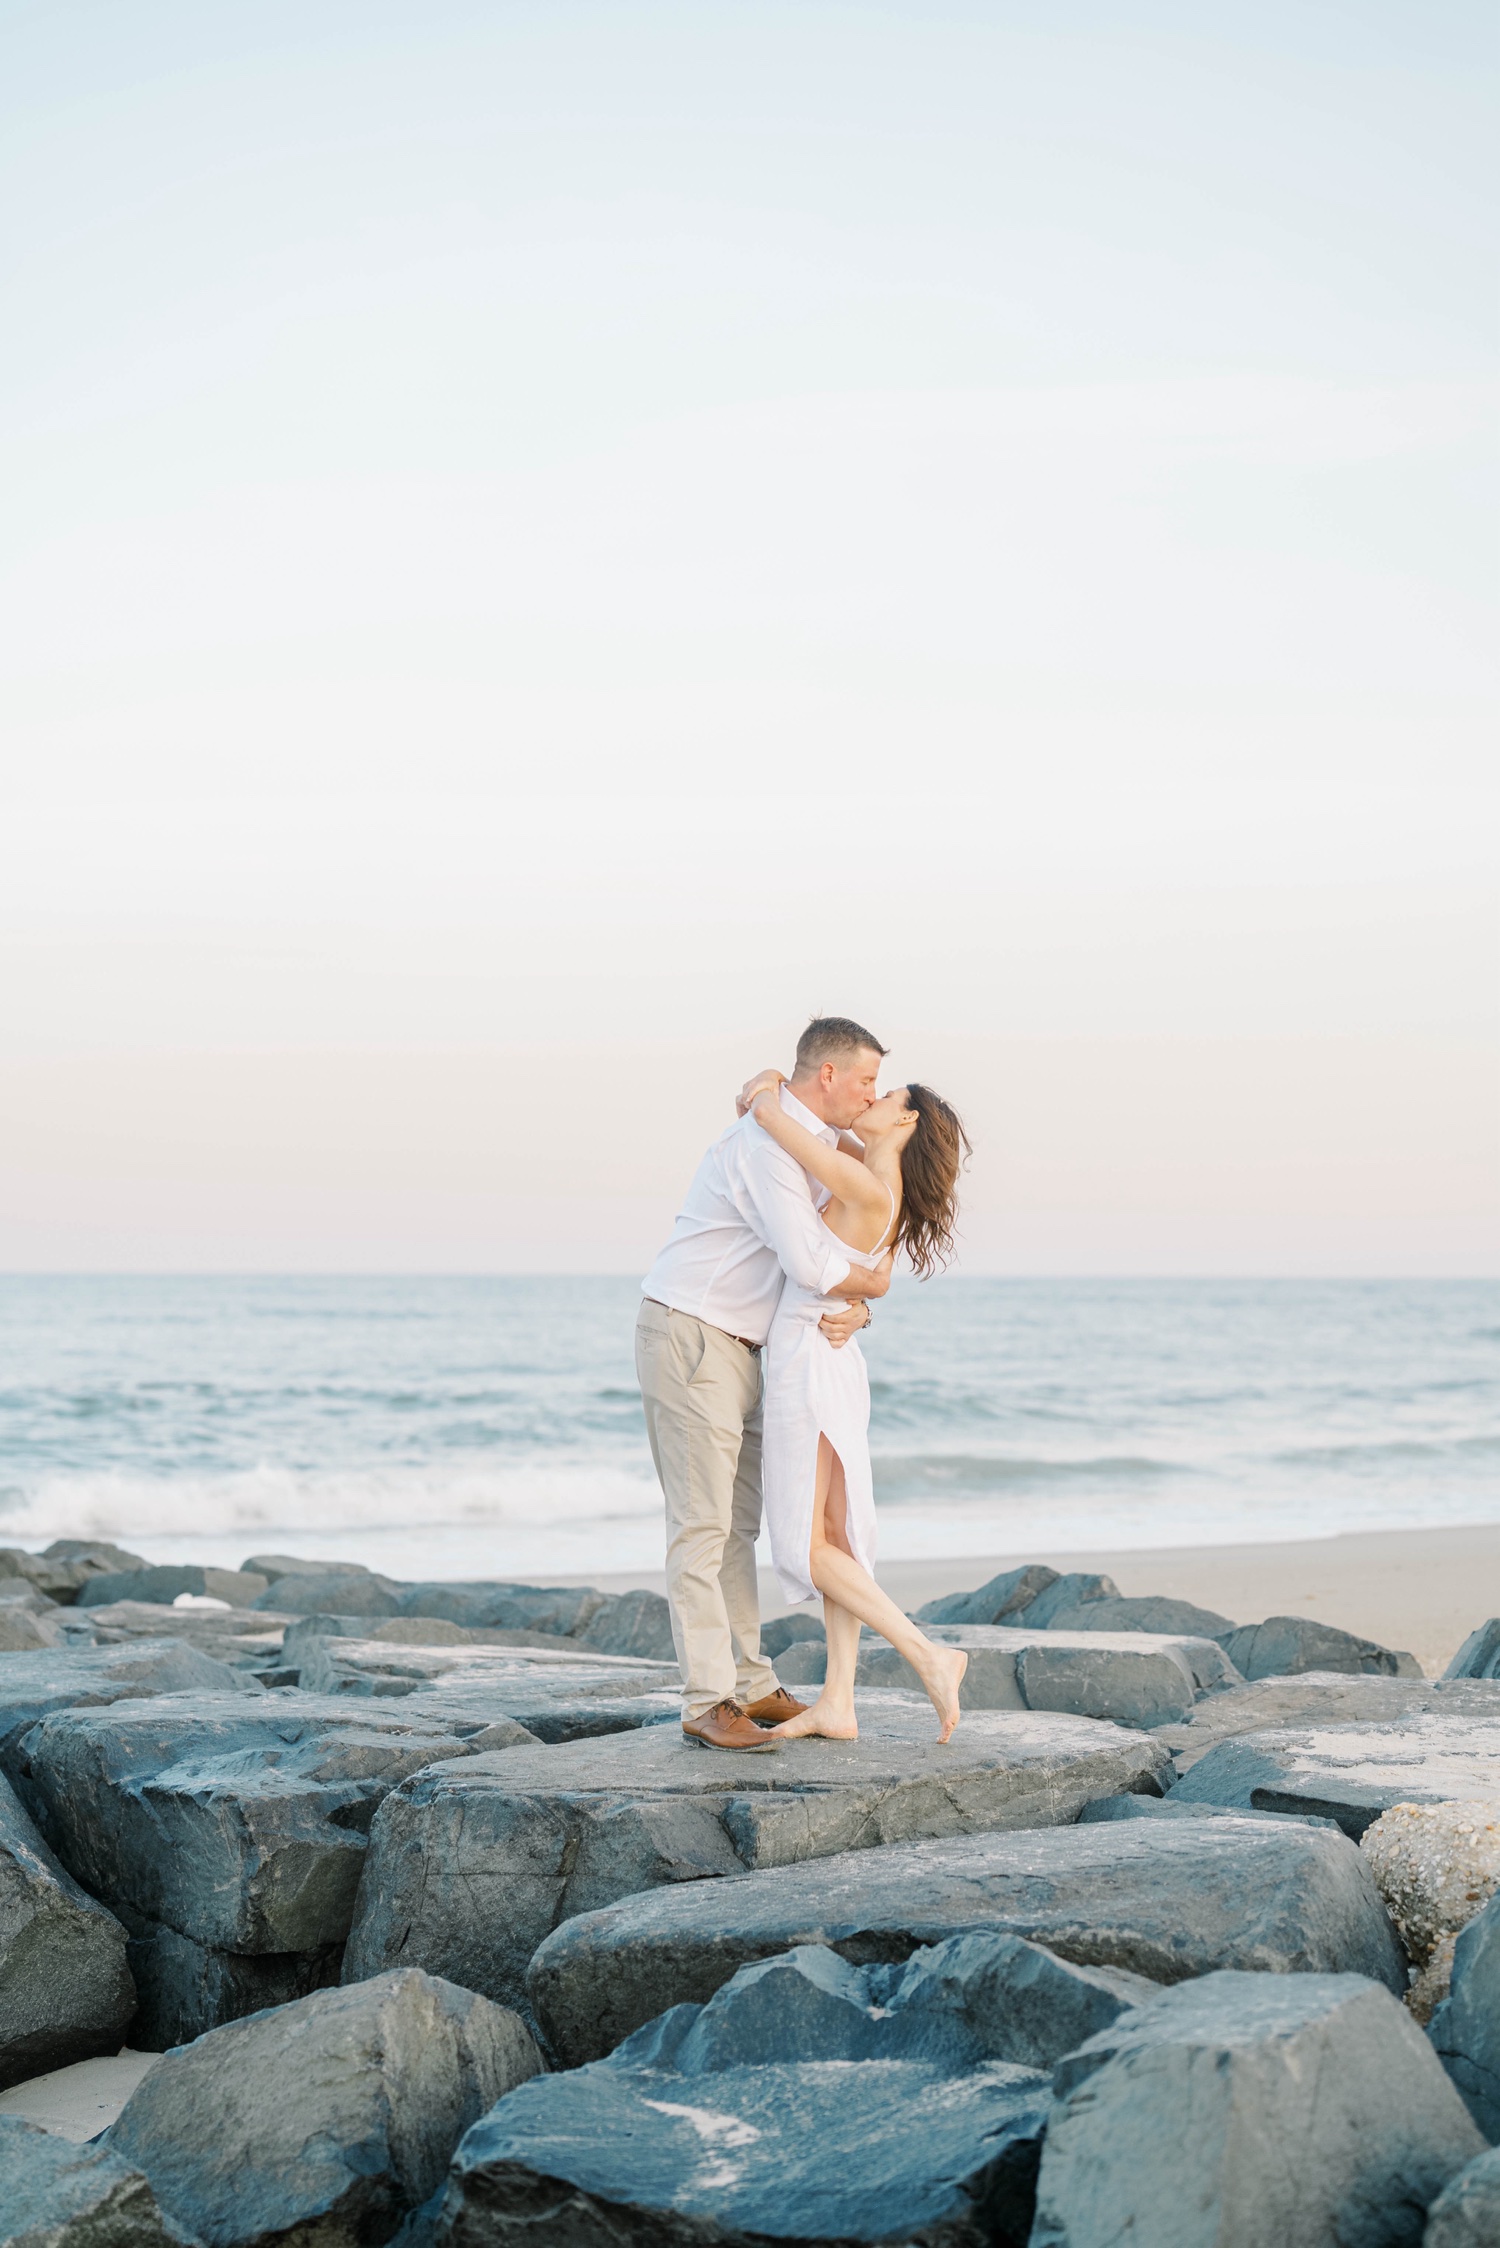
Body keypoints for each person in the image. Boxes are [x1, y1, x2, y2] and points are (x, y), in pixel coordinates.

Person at [637, 1017, 894, 1751]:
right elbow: (811, 1262)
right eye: (866, 1080)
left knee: (737, 1528)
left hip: (749, 1349)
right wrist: (871, 1283)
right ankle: (706, 1700)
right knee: (702, 1525)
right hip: (693, 1334)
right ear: (828, 1077)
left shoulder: (798, 1138)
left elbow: (827, 1253)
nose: (871, 1094)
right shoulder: (766, 1143)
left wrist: (860, 1306)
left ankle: (750, 1683)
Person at [739, 1065, 972, 1741]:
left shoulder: (869, 1180)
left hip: (807, 1360)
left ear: (905, 1123)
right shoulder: (873, 1174)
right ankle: (838, 1701)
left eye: (886, 1094)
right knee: (837, 1537)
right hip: (831, 1354)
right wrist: (869, 1300)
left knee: (805, 1549)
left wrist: (763, 1096)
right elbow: (873, 1274)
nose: (870, 1096)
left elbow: (780, 1127)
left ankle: (928, 1653)